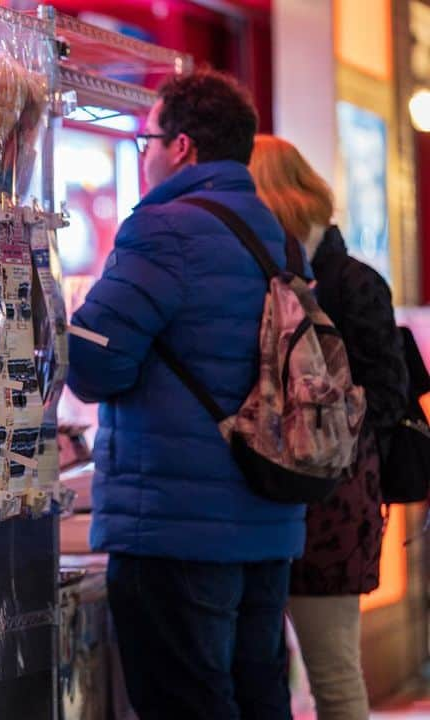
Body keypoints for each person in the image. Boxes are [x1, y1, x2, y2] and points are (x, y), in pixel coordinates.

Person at [64, 70, 304, 719]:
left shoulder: (164, 230)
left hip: (174, 526)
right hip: (268, 517)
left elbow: (90, 364)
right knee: (258, 695)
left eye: (148, 139)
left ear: (183, 148)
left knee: (186, 701)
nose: (143, 154)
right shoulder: (279, 237)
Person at [250, 135, 409, 720]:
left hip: (321, 502)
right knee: (310, 672)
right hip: (323, 502)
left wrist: (316, 422)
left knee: (326, 672)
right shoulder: (341, 277)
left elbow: (387, 395)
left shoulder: (340, 282)